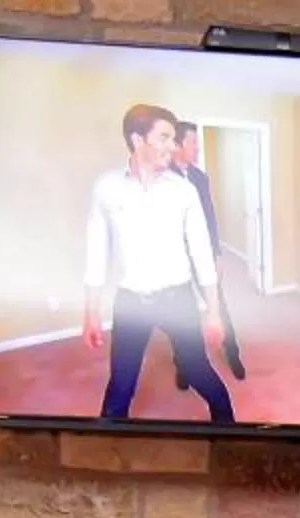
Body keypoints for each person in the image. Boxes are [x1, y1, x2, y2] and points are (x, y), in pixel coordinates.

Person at [83, 102, 235, 424]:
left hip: (177, 299)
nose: (174, 146)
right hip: (130, 302)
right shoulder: (106, 188)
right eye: (165, 137)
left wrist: (214, 313)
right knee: (121, 385)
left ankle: (229, 429)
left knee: (198, 371)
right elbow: (96, 253)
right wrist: (91, 312)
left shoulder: (184, 190)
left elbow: (202, 254)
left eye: (175, 138)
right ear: (138, 140)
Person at [169, 122, 245, 386]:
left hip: (203, 256)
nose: (198, 149)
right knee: (181, 314)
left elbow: (210, 217)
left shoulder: (201, 178)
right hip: (175, 259)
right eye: (193, 143)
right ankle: (183, 364)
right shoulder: (161, 177)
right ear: (177, 145)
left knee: (219, 306)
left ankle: (232, 352)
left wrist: (217, 253)